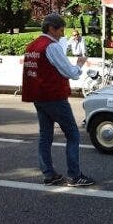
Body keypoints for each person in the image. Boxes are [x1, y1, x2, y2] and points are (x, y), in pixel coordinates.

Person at [21, 13, 94, 187]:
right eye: (61, 30)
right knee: (73, 134)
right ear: (51, 28)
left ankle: (49, 174)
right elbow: (69, 72)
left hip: (39, 96)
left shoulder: (33, 45)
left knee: (45, 136)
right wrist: (79, 64)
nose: (62, 34)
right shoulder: (51, 47)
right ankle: (74, 176)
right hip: (54, 96)